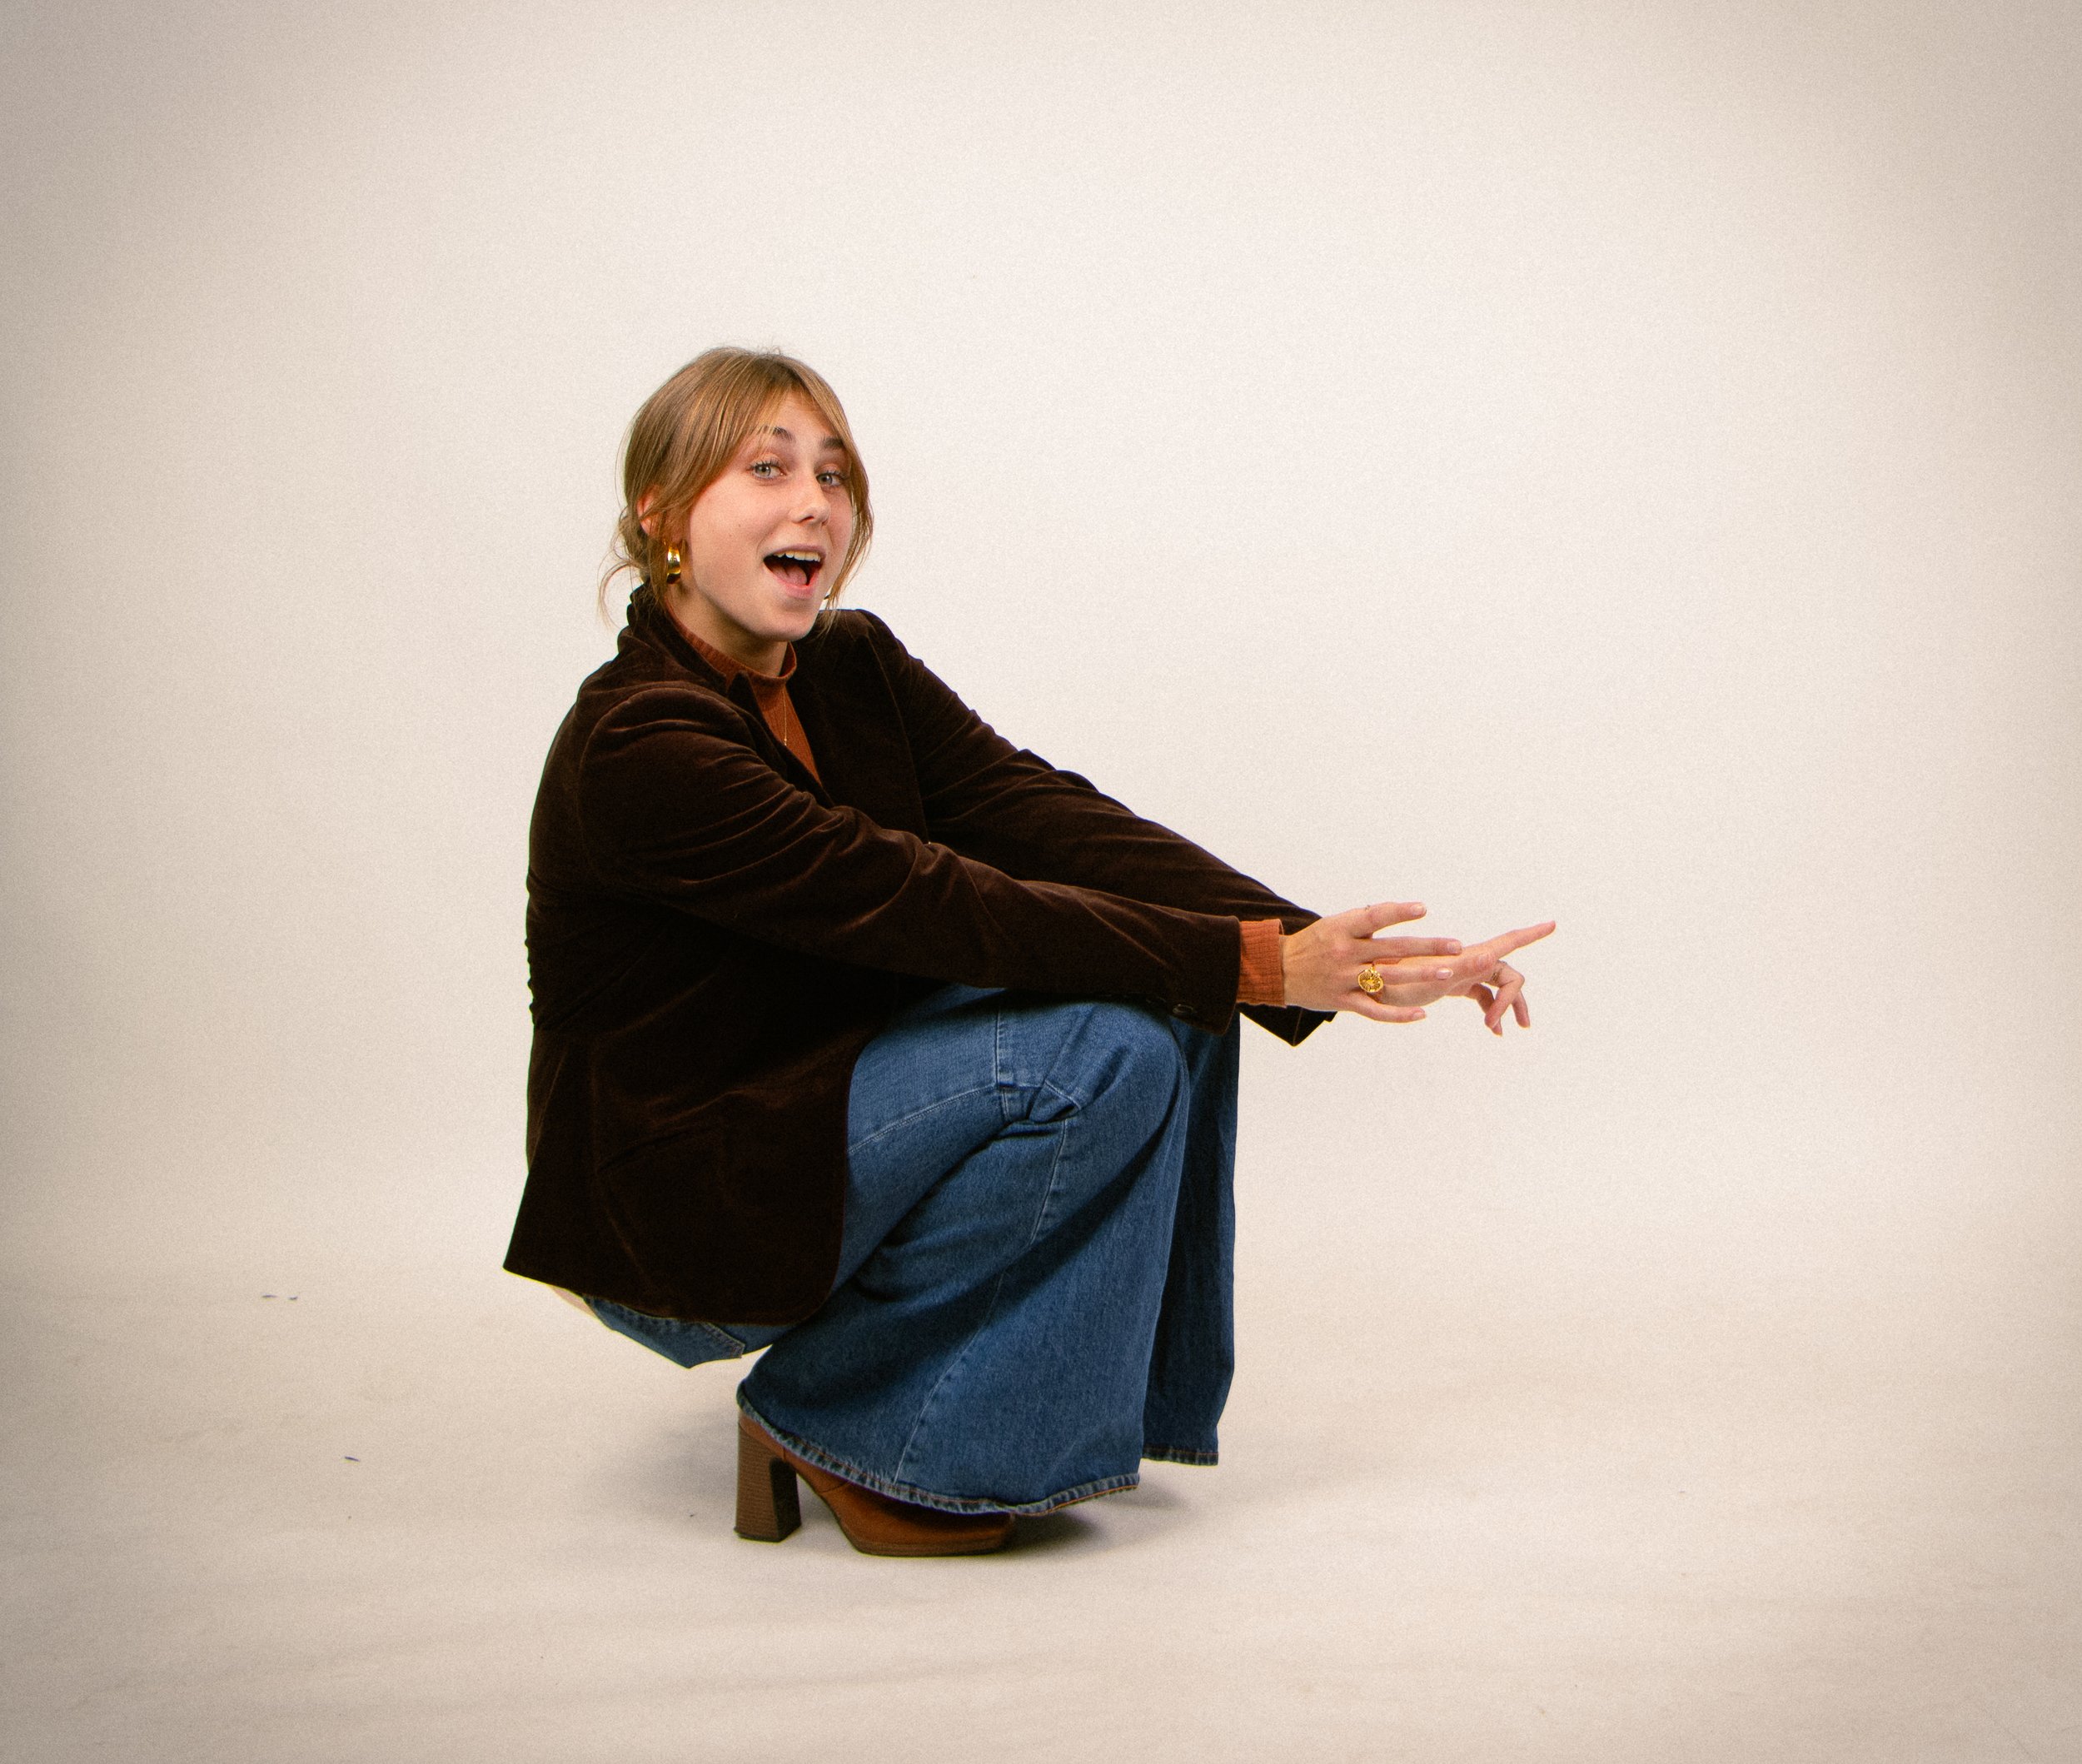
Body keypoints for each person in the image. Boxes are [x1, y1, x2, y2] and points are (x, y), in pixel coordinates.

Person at [506, 346, 1553, 1557]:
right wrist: (1261, 966)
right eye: (768, 469)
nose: (815, 505)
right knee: (1102, 1046)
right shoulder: (642, 745)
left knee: (1177, 1005)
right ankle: (848, 1424)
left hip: (808, 1105)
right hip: (675, 1200)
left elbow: (1042, 818)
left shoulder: (852, 667)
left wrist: (1319, 948)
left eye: (833, 474)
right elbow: (931, 903)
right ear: (661, 513)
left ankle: (1033, 1417)